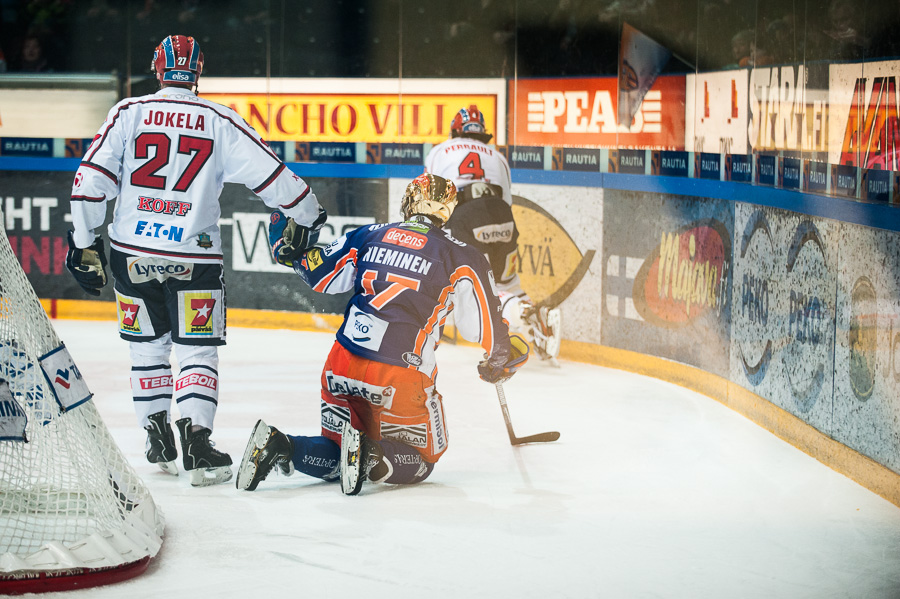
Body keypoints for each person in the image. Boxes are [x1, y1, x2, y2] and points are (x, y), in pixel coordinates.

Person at [65, 34, 325, 487]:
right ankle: (198, 443)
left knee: (147, 349)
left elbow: (89, 183)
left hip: (132, 254)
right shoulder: (220, 120)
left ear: (157, 68)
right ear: (198, 70)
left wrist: (85, 241)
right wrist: (310, 214)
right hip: (194, 256)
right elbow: (276, 178)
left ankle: (157, 436)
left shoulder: (129, 112)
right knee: (196, 352)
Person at [236, 173, 529, 495]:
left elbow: (316, 273)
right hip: (400, 373)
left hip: (342, 363)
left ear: (408, 202)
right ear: (448, 211)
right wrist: (502, 355)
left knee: (336, 450)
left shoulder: (369, 234)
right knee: (422, 460)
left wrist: (287, 252)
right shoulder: (461, 255)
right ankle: (369, 453)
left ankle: (282, 445)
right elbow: (484, 330)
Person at [424, 105, 561, 363]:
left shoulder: (440, 150)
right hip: (501, 217)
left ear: (455, 129)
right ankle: (539, 327)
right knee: (508, 283)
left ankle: (526, 312)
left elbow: (430, 194)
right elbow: (507, 201)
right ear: (482, 132)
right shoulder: (498, 157)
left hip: (465, 216)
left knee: (477, 289)